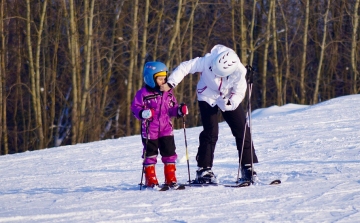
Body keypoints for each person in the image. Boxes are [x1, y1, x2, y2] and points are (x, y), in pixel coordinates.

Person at [160, 44, 258, 183]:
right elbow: (185, 67)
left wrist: (230, 103)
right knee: (211, 131)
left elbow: (239, 93)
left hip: (227, 96)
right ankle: (204, 169)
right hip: (207, 95)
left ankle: (247, 166)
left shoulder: (240, 72)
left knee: (242, 129)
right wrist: (171, 83)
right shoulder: (207, 60)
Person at [131, 61, 188, 188]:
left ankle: (171, 179)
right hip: (150, 130)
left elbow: (171, 109)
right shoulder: (143, 94)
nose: (163, 81)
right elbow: (135, 108)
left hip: (166, 129)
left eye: (164, 78)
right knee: (150, 154)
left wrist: (179, 110)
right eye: (160, 79)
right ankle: (150, 180)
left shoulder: (168, 93)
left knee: (169, 153)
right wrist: (142, 113)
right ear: (151, 79)